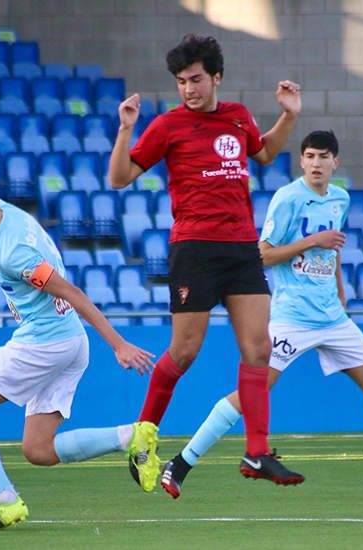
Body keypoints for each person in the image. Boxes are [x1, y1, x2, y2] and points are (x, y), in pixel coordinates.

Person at [160, 130, 363, 500]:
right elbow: (262, 254)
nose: (316, 163)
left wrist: (339, 289)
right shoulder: (288, 199)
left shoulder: (340, 198)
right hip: (292, 318)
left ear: (335, 162)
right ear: (302, 161)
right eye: (309, 156)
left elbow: (331, 247)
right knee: (252, 392)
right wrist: (311, 241)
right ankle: (181, 463)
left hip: (333, 319)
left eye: (323, 157)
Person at [0, 163, 156, 532]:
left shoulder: (14, 254)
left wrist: (118, 345)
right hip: (70, 341)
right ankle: (130, 437)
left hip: (44, 342)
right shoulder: (6, 210)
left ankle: (5, 501)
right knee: (38, 450)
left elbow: (70, 291)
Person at [108, 34, 304, 492]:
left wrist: (289, 116)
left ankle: (257, 452)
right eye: (181, 81)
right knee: (184, 352)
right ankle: (144, 434)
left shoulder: (238, 117)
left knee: (259, 349)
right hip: (194, 248)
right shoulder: (166, 126)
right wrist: (125, 129)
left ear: (216, 77)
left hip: (241, 248)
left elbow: (265, 153)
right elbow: (119, 179)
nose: (189, 89)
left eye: (195, 79)